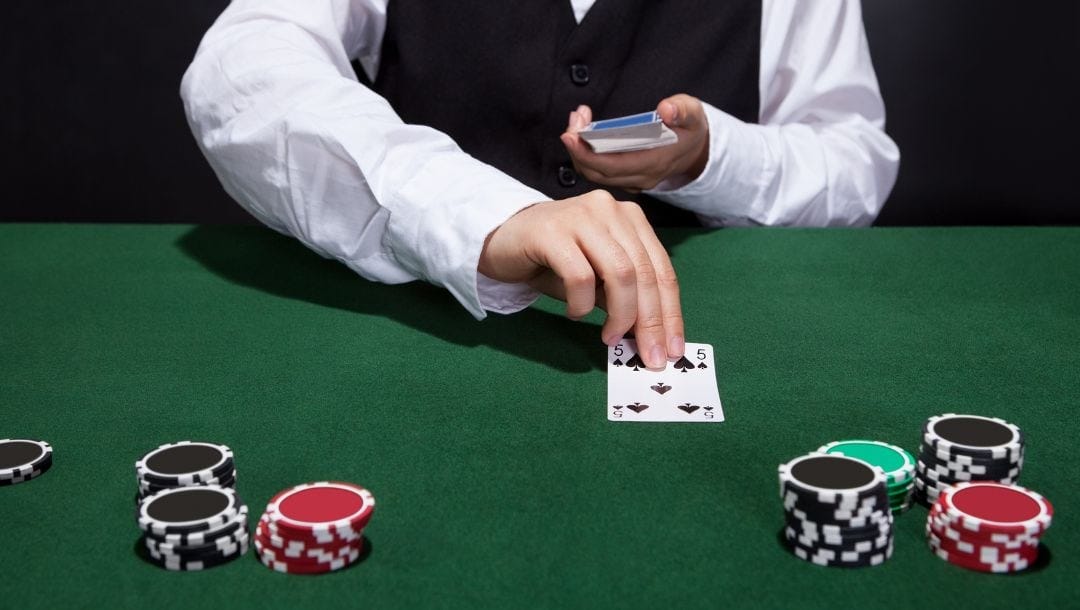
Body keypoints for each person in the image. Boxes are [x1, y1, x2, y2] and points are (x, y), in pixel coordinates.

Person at [181, 0, 899, 370]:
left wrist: (707, 159)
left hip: (727, 328)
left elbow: (856, 163)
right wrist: (485, 216)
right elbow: (239, 73)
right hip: (416, 335)